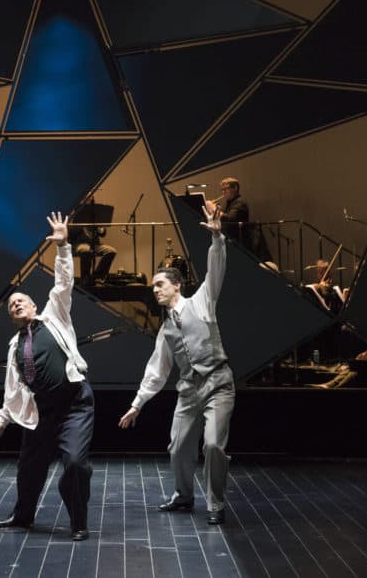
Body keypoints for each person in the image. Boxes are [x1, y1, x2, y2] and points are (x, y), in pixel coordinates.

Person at [0, 212, 95, 542]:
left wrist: (63, 246)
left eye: (20, 301)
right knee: (29, 466)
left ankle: (78, 521)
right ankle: (22, 516)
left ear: (33, 305)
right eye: (11, 305)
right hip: (41, 412)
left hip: (74, 405)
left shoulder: (53, 317)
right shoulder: (15, 345)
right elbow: (13, 392)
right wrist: (1, 425)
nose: (16, 305)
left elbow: (63, 284)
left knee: (73, 464)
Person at [118, 201, 235, 525]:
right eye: (153, 286)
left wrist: (217, 239)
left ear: (176, 285)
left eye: (159, 285)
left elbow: (216, 270)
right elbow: (157, 370)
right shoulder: (165, 329)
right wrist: (137, 404)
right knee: (178, 447)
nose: (154, 290)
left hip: (218, 385)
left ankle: (215, 504)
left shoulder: (202, 302)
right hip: (189, 391)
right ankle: (183, 497)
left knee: (212, 445)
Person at [69, 195, 117, 285]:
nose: (89, 198)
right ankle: (85, 278)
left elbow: (102, 233)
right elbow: (70, 233)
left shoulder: (95, 212)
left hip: (94, 244)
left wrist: (101, 229)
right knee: (86, 250)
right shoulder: (75, 211)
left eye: (91, 196)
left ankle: (97, 277)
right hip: (79, 243)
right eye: (87, 197)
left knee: (111, 251)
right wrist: (79, 224)